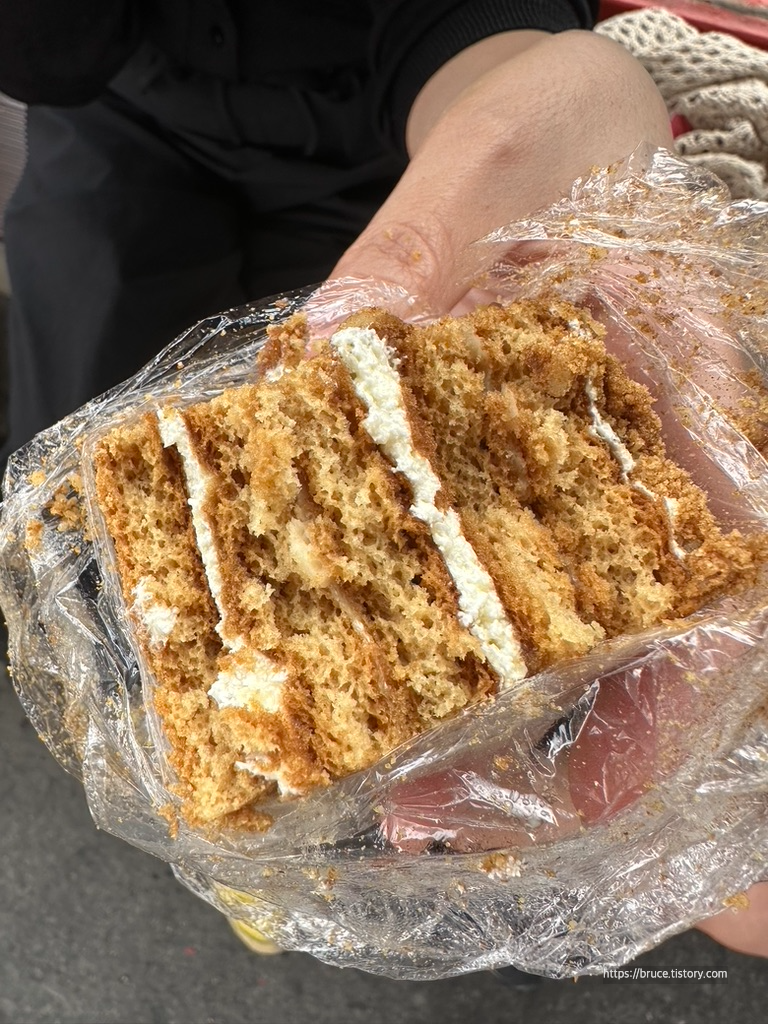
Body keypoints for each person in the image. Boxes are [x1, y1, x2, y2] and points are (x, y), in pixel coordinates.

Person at [1, 0, 763, 961]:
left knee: (511, 727)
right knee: (83, 537)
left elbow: (466, 32)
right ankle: (257, 759)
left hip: (403, 105)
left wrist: (523, 79)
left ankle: (335, 821)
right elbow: (46, 56)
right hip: (126, 115)